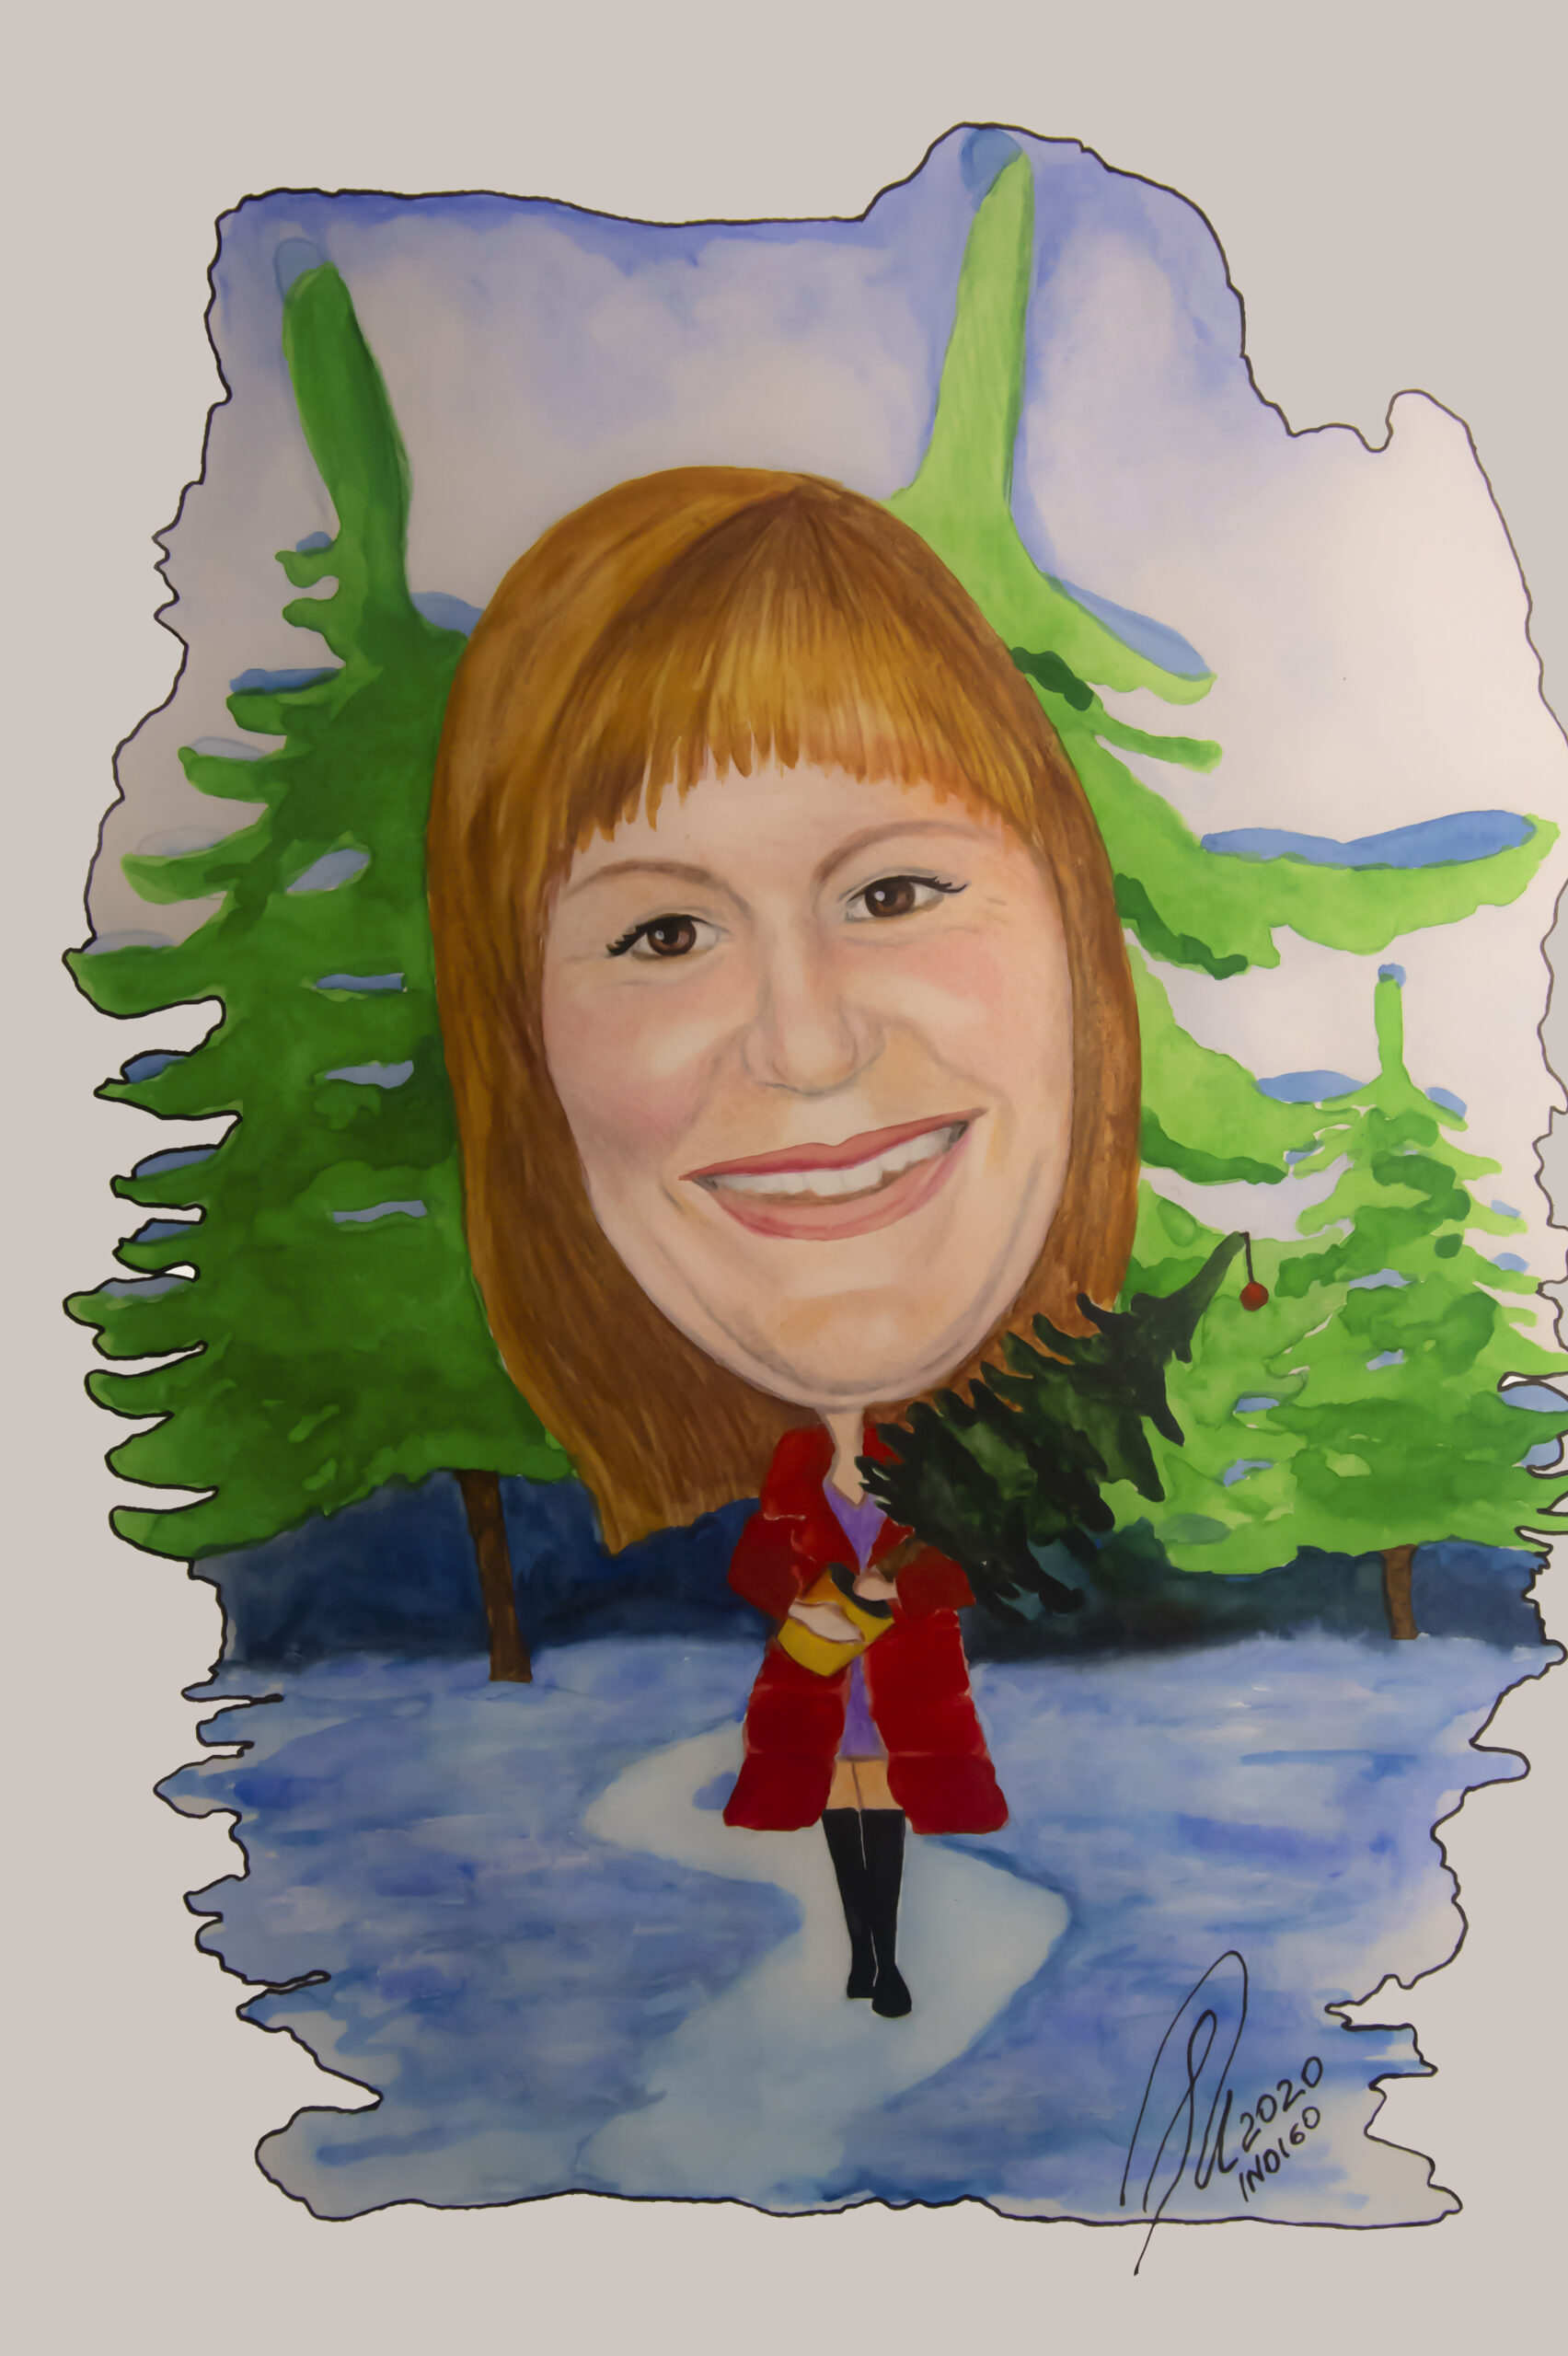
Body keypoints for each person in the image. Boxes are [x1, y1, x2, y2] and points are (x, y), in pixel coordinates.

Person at [428, 467, 1140, 2018]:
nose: (808, 1048)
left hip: (886, 1702)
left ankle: (879, 1953)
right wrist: (826, 1621)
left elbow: (934, 1587)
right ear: (521, 1053)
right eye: (661, 934)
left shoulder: (956, 1496)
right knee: (854, 1827)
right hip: (829, 1701)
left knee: (882, 1818)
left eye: (894, 891)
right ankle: (871, 1957)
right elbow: (777, 1570)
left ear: (1078, 943)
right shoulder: (790, 1496)